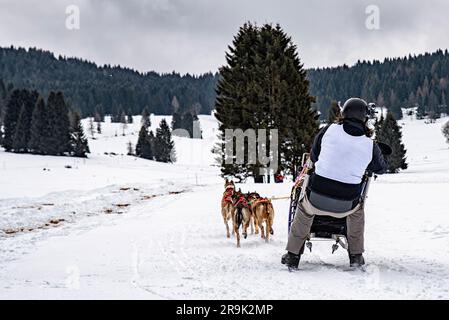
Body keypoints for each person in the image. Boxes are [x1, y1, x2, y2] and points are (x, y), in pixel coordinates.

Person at [282, 98, 387, 269]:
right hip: (347, 204)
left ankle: (293, 255)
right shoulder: (370, 145)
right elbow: (380, 168)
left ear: (343, 113)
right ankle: (356, 256)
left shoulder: (328, 130)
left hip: (316, 197)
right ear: (364, 119)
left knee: (304, 210)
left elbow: (314, 157)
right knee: (357, 213)